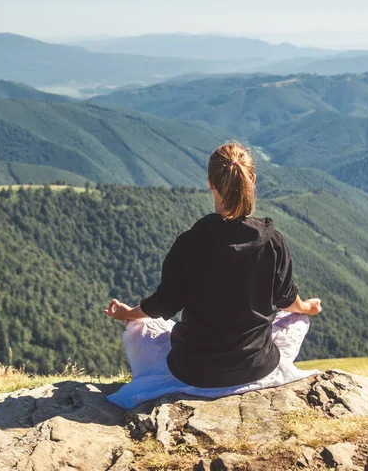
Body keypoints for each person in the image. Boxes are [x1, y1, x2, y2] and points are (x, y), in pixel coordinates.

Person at [104, 141, 322, 408]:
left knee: (142, 326)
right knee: (297, 319)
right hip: (255, 366)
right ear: (252, 179)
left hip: (194, 369)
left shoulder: (189, 243)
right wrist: (306, 308)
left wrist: (127, 314)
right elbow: (287, 299)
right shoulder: (272, 242)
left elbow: (164, 304)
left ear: (210, 183)